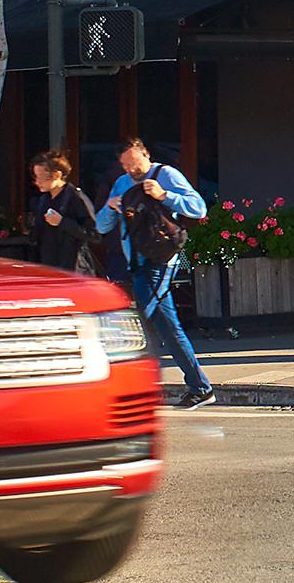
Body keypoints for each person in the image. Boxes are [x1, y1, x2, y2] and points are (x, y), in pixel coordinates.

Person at [92, 138, 217, 408]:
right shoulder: (122, 184)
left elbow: (198, 208)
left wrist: (164, 195)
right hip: (136, 264)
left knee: (136, 322)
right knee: (168, 328)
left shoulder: (166, 175)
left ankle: (117, 388)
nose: (131, 170)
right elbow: (101, 227)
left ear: (145, 155)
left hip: (161, 261)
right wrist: (110, 207)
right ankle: (200, 387)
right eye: (125, 165)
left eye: (133, 163)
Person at [21, 149, 100, 276]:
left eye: (41, 177)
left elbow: (94, 234)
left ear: (57, 175)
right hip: (47, 268)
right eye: (35, 177)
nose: (37, 182)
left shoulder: (76, 198)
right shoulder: (43, 199)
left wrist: (62, 222)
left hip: (72, 269)